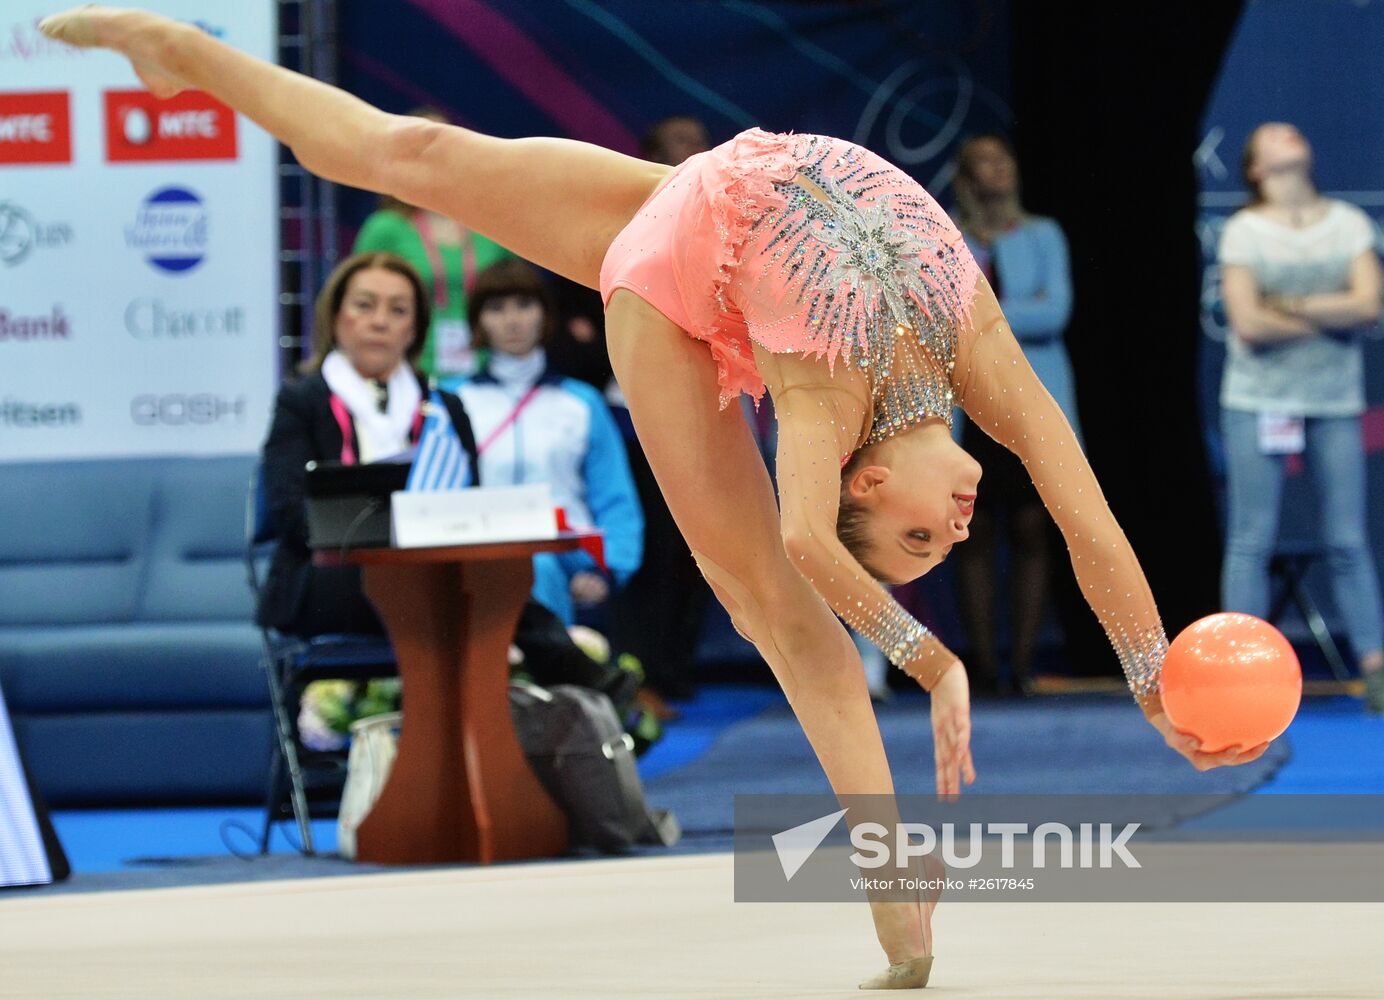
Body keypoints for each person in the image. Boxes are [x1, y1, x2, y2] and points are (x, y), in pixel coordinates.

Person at [41, 9, 1273, 987]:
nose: (951, 531)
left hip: (664, 286)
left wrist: (1073, 665)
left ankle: (890, 875)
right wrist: (1105, 661)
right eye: (930, 538)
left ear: (871, 474)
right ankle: (190, 54)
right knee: (409, 153)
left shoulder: (824, 405)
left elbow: (803, 535)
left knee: (779, 610)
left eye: (913, 540)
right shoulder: (968, 347)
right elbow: (1088, 512)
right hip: (702, 203)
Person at [257, 250, 637, 703]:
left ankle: (518, 727)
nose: (380, 321)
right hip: (328, 581)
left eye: (398, 310)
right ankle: (571, 674)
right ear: (335, 315)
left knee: (486, 580)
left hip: (429, 577)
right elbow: (289, 514)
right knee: (462, 592)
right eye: (364, 305)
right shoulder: (302, 402)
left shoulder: (444, 408)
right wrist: (390, 539)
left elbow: (468, 514)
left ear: (415, 328)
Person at [1218, 122, 1384, 714]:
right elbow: (1248, 324)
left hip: (1333, 398)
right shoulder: (1244, 229)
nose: (1290, 135)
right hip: (1258, 397)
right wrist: (1329, 317)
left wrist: (1285, 304)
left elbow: (1370, 303)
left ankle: (1376, 669)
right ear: (1256, 169)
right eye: (1273, 136)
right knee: (1251, 539)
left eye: (1293, 132)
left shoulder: (1348, 224)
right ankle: (1237, 676)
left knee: (1347, 538)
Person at [948, 134, 1081, 696]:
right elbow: (941, 313)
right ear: (967, 174)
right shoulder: (944, 234)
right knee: (971, 529)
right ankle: (984, 663)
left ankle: (1022, 663)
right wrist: (981, 318)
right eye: (985, 161)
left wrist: (981, 315)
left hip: (1033, 399)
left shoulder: (1043, 233)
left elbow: (1055, 311)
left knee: (1032, 527)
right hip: (971, 400)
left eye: (1006, 159)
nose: (998, 168)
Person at [456, 258, 643, 627]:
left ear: (545, 314)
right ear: (478, 321)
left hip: (573, 566)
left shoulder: (582, 402)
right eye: (496, 308)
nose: (512, 320)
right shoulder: (453, 402)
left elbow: (615, 499)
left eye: (524, 305)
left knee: (538, 568)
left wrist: (606, 571)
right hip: (478, 562)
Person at [352, 107, 515, 380]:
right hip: (407, 370)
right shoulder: (385, 228)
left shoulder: (491, 223)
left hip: (492, 374)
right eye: (423, 148)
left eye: (445, 146)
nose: (435, 157)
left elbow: (519, 289)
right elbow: (357, 303)